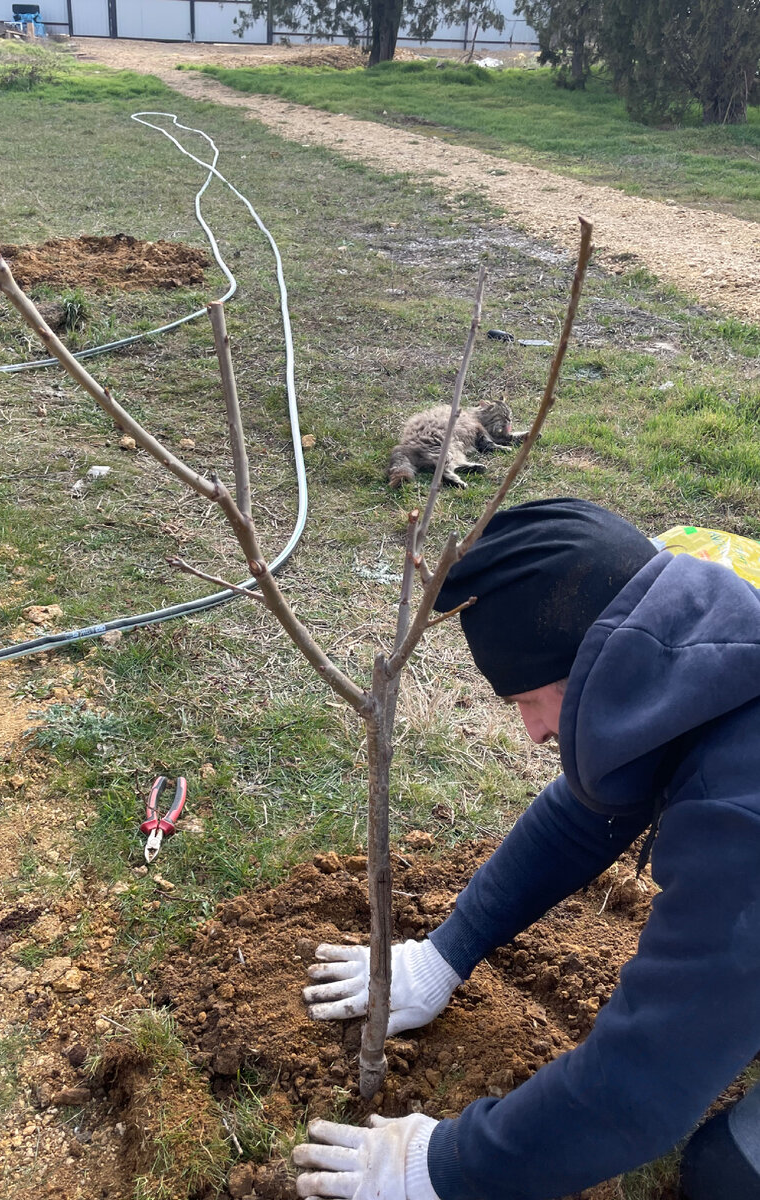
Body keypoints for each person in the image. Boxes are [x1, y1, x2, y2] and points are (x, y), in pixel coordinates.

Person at [292, 498, 760, 1200]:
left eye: (528, 700)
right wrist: (443, 954)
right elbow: (584, 816)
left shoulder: (741, 813)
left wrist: (444, 1165)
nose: (534, 734)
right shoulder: (704, 667)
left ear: (602, 670)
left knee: (729, 1171)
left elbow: (642, 1089)